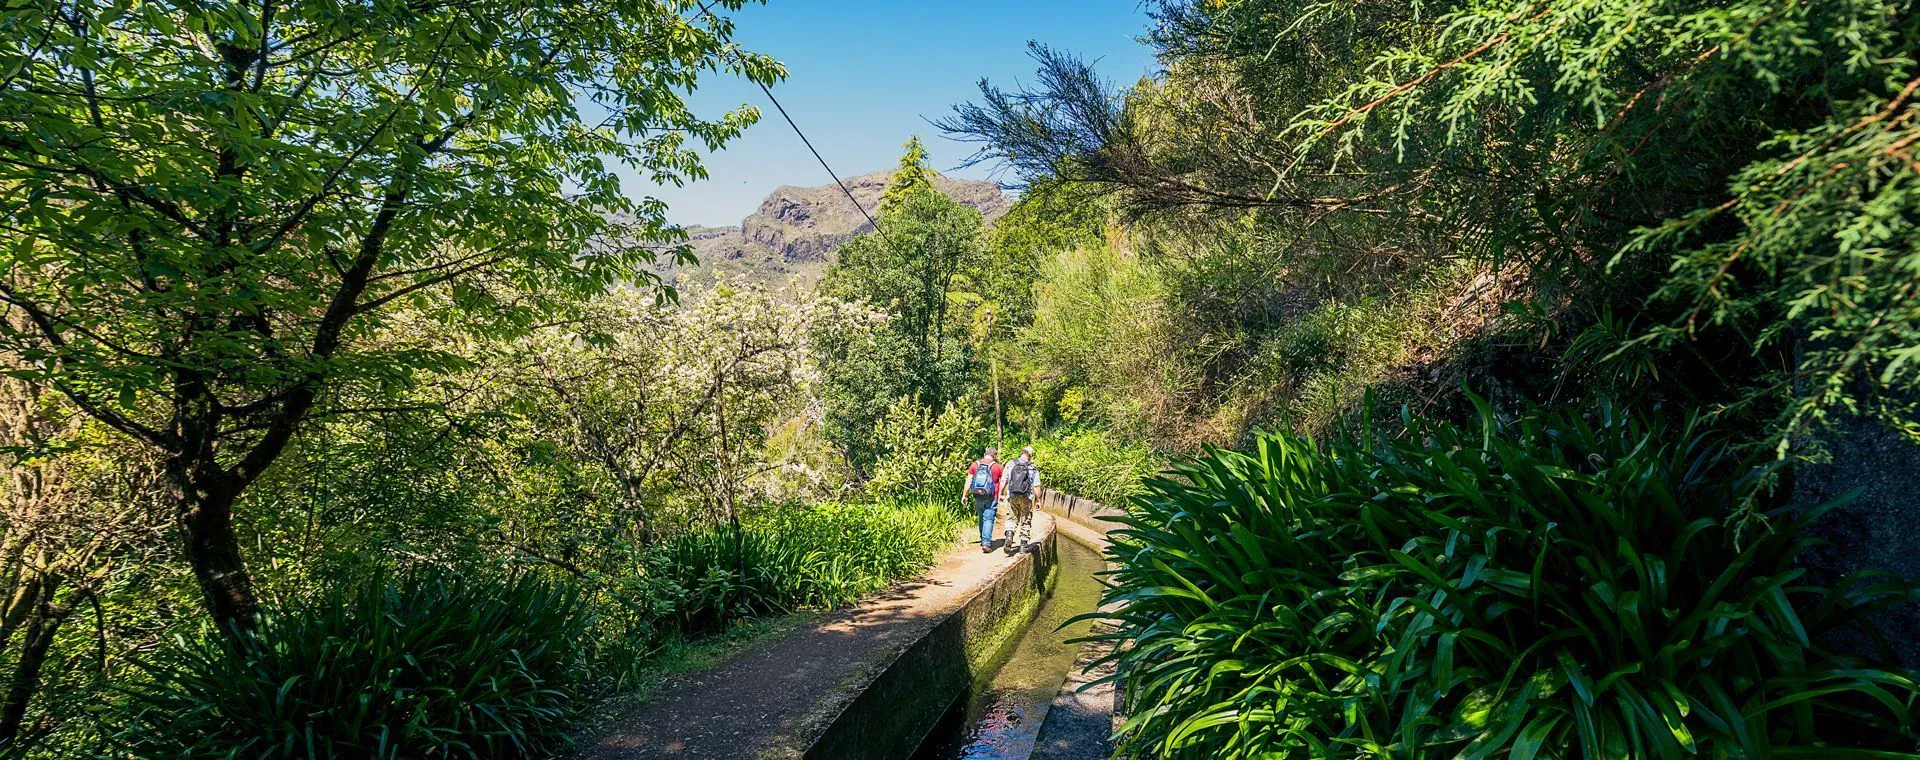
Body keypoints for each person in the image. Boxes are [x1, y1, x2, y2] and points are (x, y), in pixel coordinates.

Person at [999, 446, 1040, 553]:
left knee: (1011, 518)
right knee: (1025, 520)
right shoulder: (1032, 467)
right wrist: (1038, 500)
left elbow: (1004, 480)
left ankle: (1009, 535)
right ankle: (1023, 546)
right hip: (1026, 497)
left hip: (1012, 495)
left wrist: (1000, 494)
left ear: (1022, 452)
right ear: (1030, 455)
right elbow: (1036, 486)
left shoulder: (1010, 464)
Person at [961, 447, 1003, 553]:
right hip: (991, 496)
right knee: (988, 518)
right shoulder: (997, 467)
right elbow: (1002, 482)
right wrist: (1001, 495)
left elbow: (969, 480)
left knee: (981, 517)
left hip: (977, 495)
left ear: (985, 454)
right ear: (994, 456)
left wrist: (964, 495)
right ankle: (986, 543)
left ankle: (983, 538)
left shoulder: (975, 465)